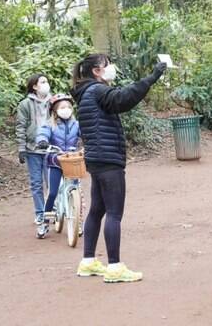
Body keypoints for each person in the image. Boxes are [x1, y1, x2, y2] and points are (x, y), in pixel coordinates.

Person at [71, 54, 166, 283]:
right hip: (108, 159)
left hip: (96, 158)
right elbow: (124, 99)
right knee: (114, 212)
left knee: (97, 210)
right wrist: (152, 77)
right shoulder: (97, 90)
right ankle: (114, 267)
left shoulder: (85, 93)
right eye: (106, 65)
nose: (111, 68)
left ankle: (88, 261)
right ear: (96, 71)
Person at [34, 94, 80, 239]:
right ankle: (45, 223)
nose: (66, 110)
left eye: (68, 107)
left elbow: (86, 135)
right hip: (55, 161)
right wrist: (42, 141)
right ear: (54, 110)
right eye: (62, 107)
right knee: (53, 193)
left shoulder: (77, 124)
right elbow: (43, 133)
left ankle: (79, 222)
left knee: (77, 193)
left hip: (72, 160)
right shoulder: (50, 125)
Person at [16, 74, 52, 225]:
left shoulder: (54, 101)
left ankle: (52, 210)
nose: (46, 84)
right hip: (33, 150)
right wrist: (21, 148)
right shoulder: (25, 104)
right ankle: (40, 213)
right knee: (36, 183)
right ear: (34, 86)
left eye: (47, 81)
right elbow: (20, 127)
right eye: (42, 82)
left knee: (52, 183)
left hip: (51, 149)